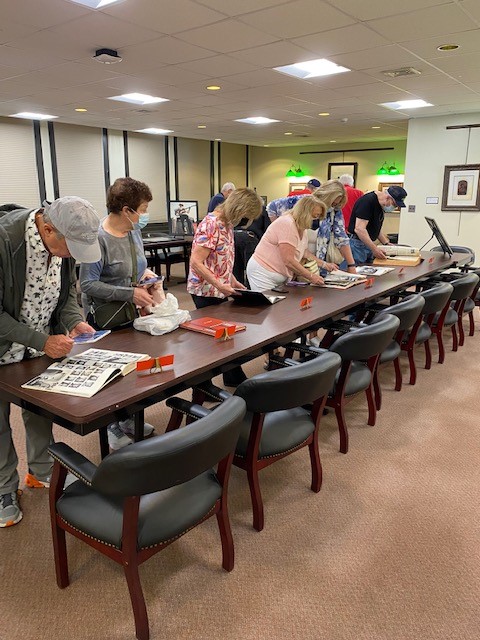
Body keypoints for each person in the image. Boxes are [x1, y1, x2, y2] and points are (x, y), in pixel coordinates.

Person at [0, 197, 102, 528]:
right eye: (70, 247)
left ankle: (41, 469)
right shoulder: (5, 241)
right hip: (8, 346)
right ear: (46, 228)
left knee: (38, 407)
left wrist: (74, 320)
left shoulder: (62, 248)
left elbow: (66, 295)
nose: (73, 254)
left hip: (39, 347)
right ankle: (4, 488)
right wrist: (42, 341)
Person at [80, 177, 157, 451]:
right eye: (143, 208)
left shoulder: (133, 231)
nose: (145, 214)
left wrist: (147, 278)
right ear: (127, 210)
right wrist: (129, 293)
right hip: (105, 317)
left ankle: (128, 420)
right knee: (112, 375)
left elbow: (136, 268)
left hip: (132, 314)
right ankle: (112, 426)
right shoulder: (97, 238)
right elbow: (87, 284)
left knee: (135, 370)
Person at [187, 187, 263, 386]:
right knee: (211, 339)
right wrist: (219, 284)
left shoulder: (226, 223)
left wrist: (232, 280)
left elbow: (221, 259)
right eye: (246, 215)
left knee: (225, 335)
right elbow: (197, 262)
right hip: (205, 289)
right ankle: (204, 385)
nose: (246, 220)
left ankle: (232, 376)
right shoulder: (211, 224)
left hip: (218, 287)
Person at [246, 196, 327, 291]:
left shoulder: (302, 227)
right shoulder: (287, 224)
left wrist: (324, 264)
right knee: (268, 305)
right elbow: (288, 260)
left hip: (279, 276)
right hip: (263, 273)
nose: (315, 220)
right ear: (305, 213)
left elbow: (303, 252)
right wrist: (311, 276)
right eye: (314, 216)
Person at [348, 185, 407, 264]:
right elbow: (359, 229)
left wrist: (386, 243)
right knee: (354, 271)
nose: (394, 207)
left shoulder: (381, 205)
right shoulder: (367, 201)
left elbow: (375, 227)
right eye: (395, 205)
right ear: (387, 198)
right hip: (357, 244)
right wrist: (374, 249)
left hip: (367, 244)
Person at [312, 180, 357, 274]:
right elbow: (273, 207)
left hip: (319, 264)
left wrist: (351, 265)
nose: (333, 206)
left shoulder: (334, 211)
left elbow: (341, 238)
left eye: (335, 204)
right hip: (300, 262)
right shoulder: (303, 202)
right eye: (332, 203)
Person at [233, 204, 271, 286]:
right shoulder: (262, 209)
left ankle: (238, 293)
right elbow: (267, 229)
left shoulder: (239, 207)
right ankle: (250, 293)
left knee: (236, 270)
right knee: (251, 270)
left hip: (235, 236)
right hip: (250, 238)